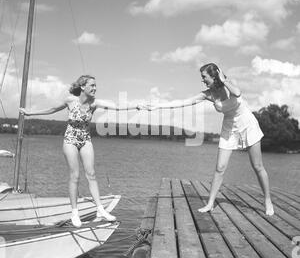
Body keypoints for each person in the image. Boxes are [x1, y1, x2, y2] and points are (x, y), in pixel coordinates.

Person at [146, 63, 274, 216]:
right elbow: (183, 103)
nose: (203, 80)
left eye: (204, 77)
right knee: (220, 168)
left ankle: (267, 201)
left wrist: (223, 79)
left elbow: (238, 93)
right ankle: (210, 203)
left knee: (257, 166)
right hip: (229, 128)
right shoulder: (208, 94)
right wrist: (157, 106)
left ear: (214, 76)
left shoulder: (229, 83)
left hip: (247, 124)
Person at [20, 74, 141, 227]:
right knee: (75, 175)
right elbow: (52, 109)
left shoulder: (94, 103)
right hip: (70, 140)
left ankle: (100, 210)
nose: (95, 88)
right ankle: (74, 212)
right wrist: (30, 113)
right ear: (83, 87)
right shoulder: (71, 100)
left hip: (85, 140)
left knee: (91, 174)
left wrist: (136, 106)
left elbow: (116, 106)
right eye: (92, 86)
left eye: (96, 86)